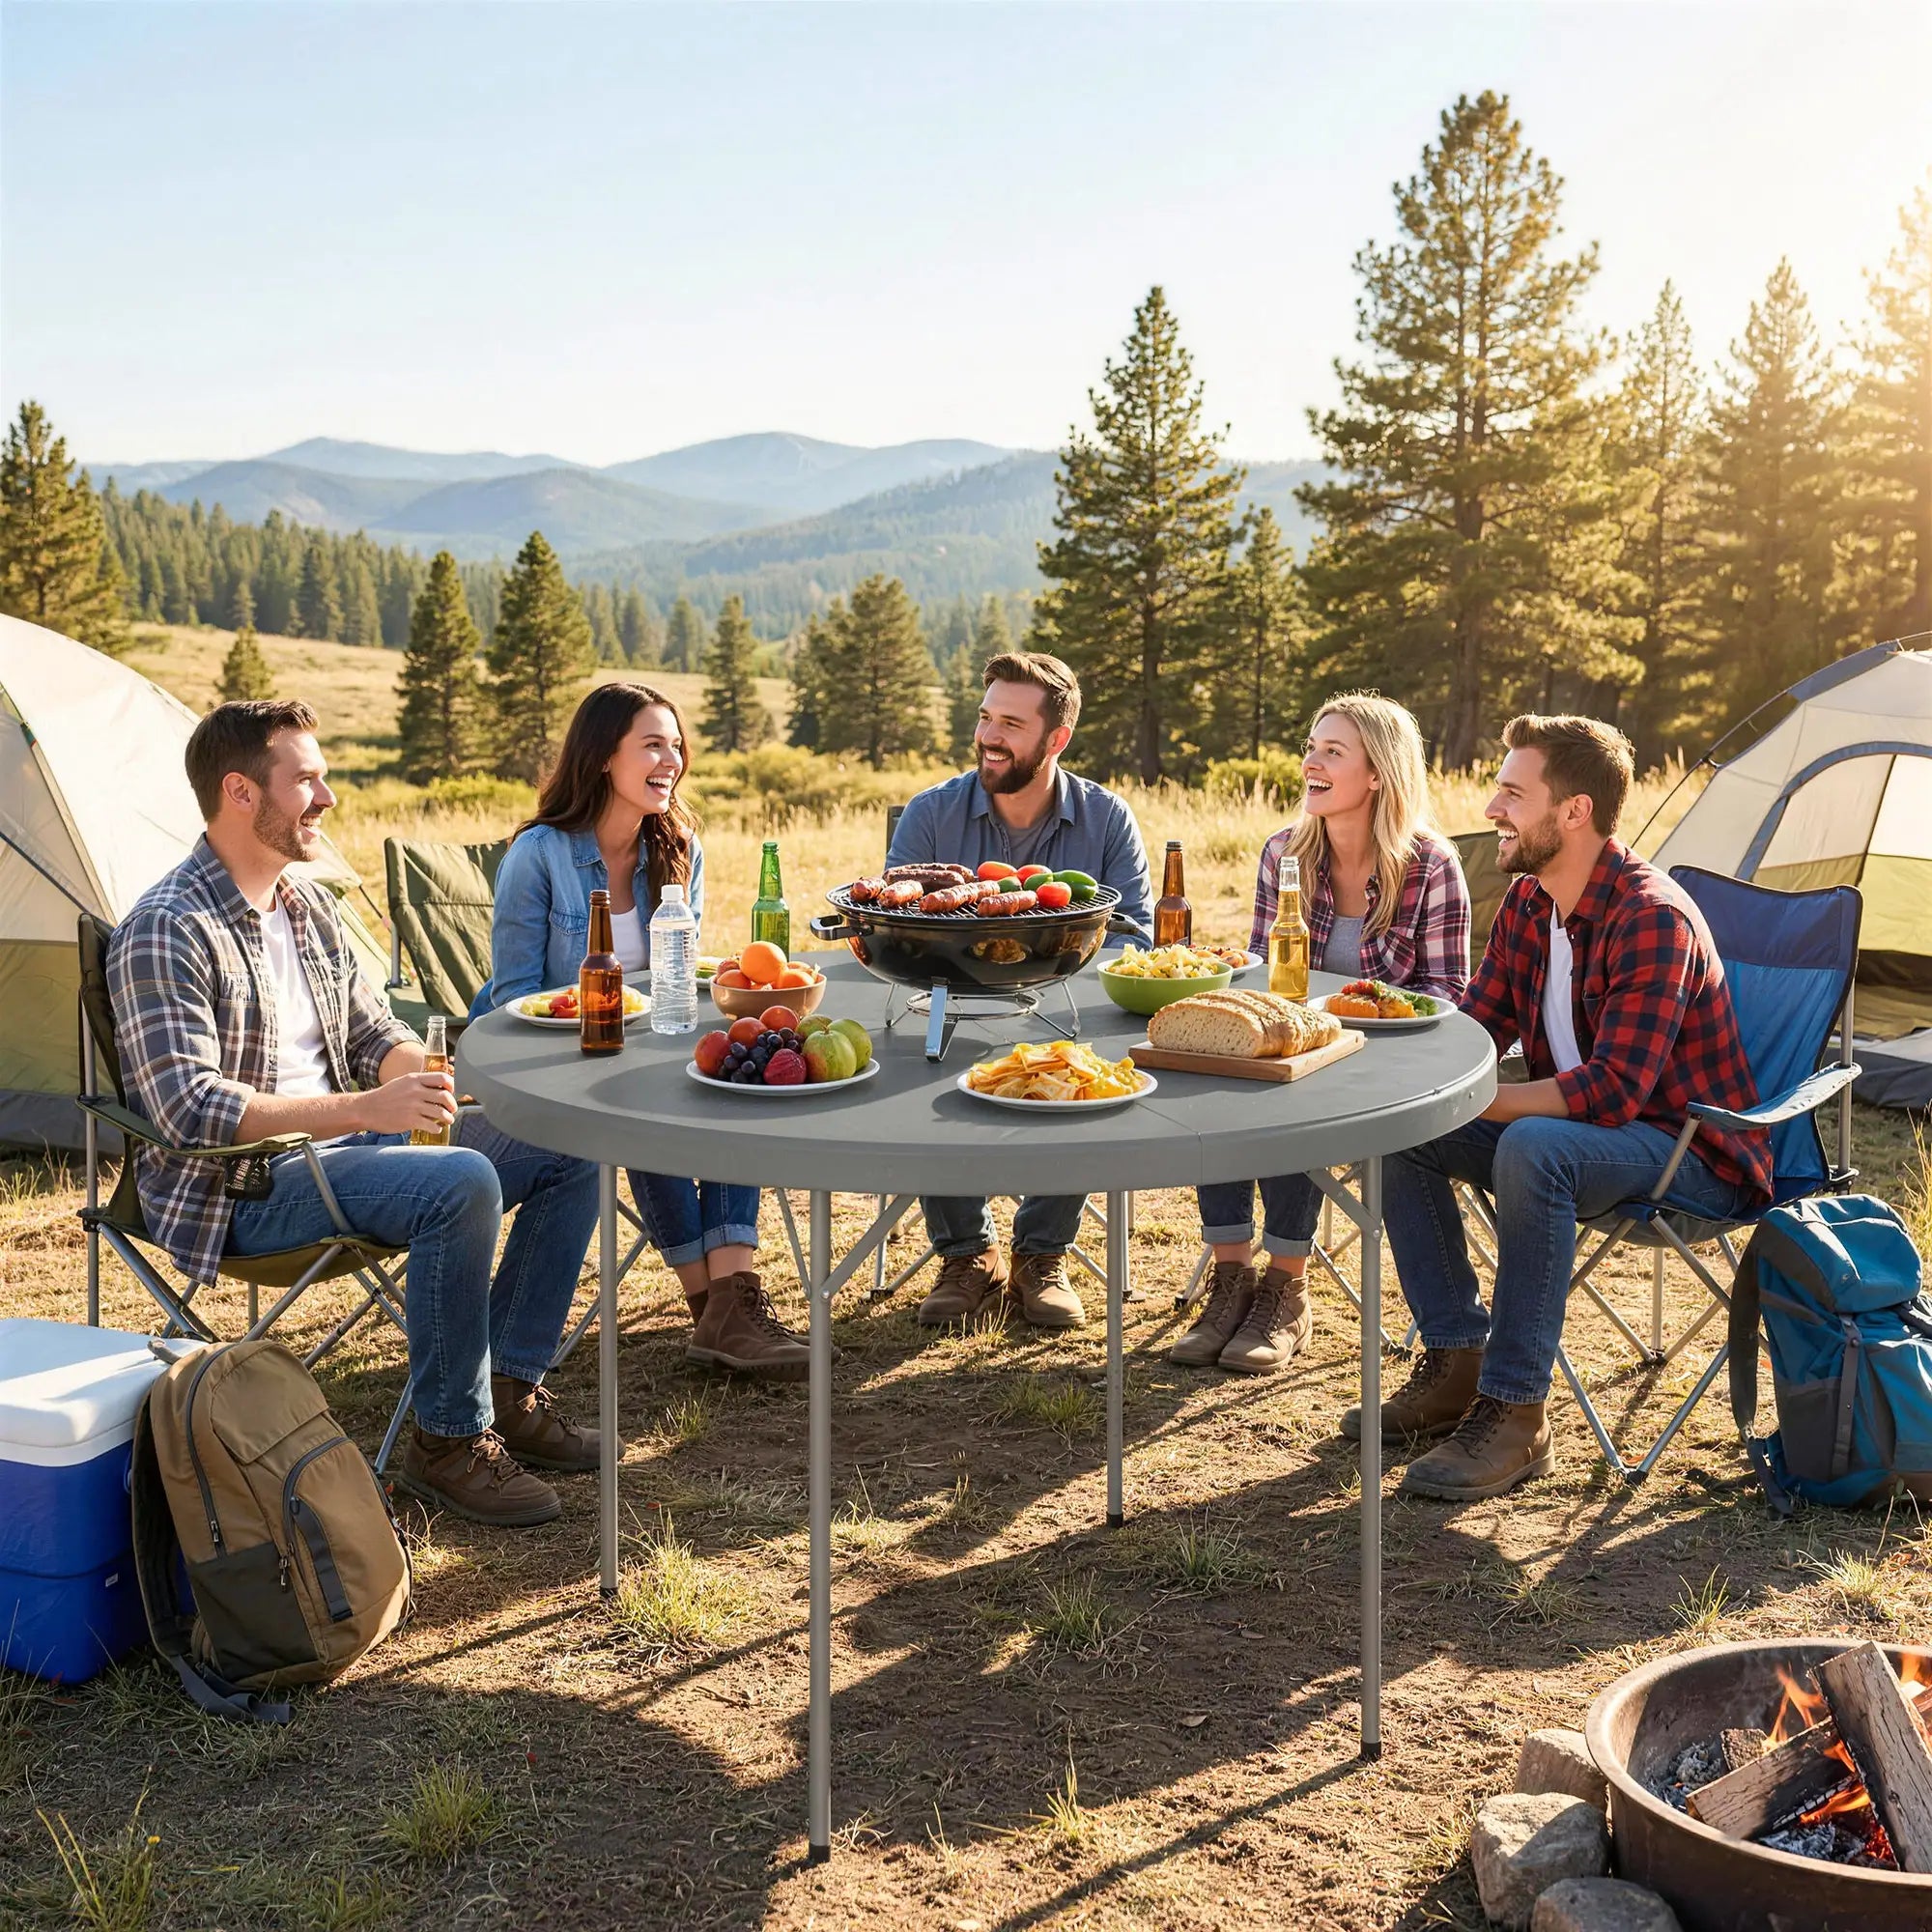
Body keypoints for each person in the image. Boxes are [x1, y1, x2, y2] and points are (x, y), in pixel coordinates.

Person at [109, 699, 601, 1528]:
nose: (328, 797)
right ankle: (447, 1443)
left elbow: (375, 1033)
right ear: (239, 792)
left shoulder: (306, 908)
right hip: (242, 1187)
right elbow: (189, 1108)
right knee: (460, 1184)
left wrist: (421, 1077)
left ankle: (510, 1389)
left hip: (350, 1153)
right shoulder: (169, 928)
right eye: (306, 779)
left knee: (563, 1142)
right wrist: (368, 1107)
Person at [1350, 713, 1771, 1501]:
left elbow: (1612, 1094)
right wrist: (1383, 1062)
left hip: (1691, 1155)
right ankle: (1455, 1360)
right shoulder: (1529, 904)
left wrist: (1480, 1099)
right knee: (1406, 1130)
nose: (1490, 810)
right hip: (1587, 1139)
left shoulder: (1651, 917)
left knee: (1532, 1146)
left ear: (1573, 812)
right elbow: (1474, 1028)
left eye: (1512, 792)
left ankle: (1516, 1415)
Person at [475, 681, 804, 1379]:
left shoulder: (678, 846)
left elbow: (680, 980)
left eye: (677, 745)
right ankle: (714, 1307)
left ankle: (729, 1303)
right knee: (642, 1101)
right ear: (602, 758)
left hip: (646, 1046)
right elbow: (513, 1003)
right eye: (652, 745)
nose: (671, 760)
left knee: (732, 1082)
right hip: (550, 1063)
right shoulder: (539, 855)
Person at [1175, 693, 1470, 1375]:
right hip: (1298, 1045)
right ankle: (1230, 1279)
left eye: (1332, 751)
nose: (1311, 760)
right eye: (1311, 746)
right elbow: (1258, 970)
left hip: (1383, 1070)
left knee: (1295, 1096)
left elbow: (1447, 995)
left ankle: (1286, 1287)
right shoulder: (1284, 852)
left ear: (1377, 775)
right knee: (1215, 1074)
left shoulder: (1430, 866)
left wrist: (1354, 1013)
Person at [886, 650, 1152, 1330]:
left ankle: (1042, 1252)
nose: (988, 736)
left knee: (1084, 1064)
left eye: (1010, 722)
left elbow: (1134, 940)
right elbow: (899, 927)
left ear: (1055, 739)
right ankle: (967, 1254)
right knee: (921, 1046)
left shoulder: (1106, 818)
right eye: (984, 717)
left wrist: (1054, 978)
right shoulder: (930, 814)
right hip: (948, 1002)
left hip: (1065, 1008)